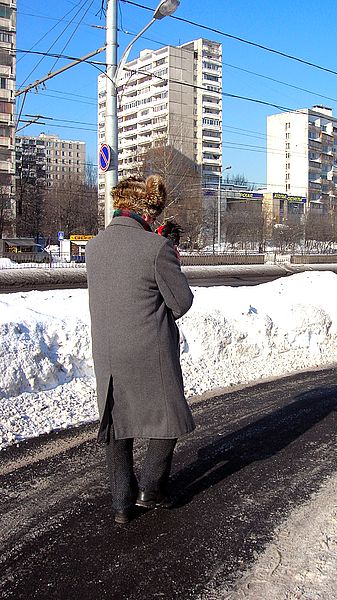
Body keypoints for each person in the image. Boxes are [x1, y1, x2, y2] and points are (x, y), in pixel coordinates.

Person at [85, 175, 195, 524]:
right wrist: (169, 254)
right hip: (151, 349)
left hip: (108, 352)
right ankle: (150, 488)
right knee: (170, 417)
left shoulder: (94, 246)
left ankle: (121, 503)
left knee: (118, 423)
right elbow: (180, 302)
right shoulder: (157, 248)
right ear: (148, 213)